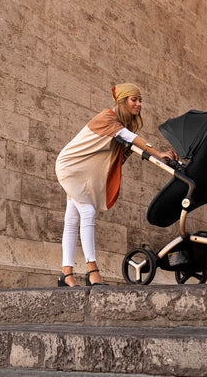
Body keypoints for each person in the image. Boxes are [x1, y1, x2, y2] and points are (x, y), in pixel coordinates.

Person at [55, 83, 178, 287]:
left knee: (72, 218)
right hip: (70, 166)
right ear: (122, 101)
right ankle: (92, 271)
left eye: (140, 100)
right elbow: (130, 138)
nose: (139, 104)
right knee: (87, 212)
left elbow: (121, 151)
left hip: (78, 171)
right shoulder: (108, 117)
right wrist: (158, 153)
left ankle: (66, 273)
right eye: (134, 100)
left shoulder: (120, 125)